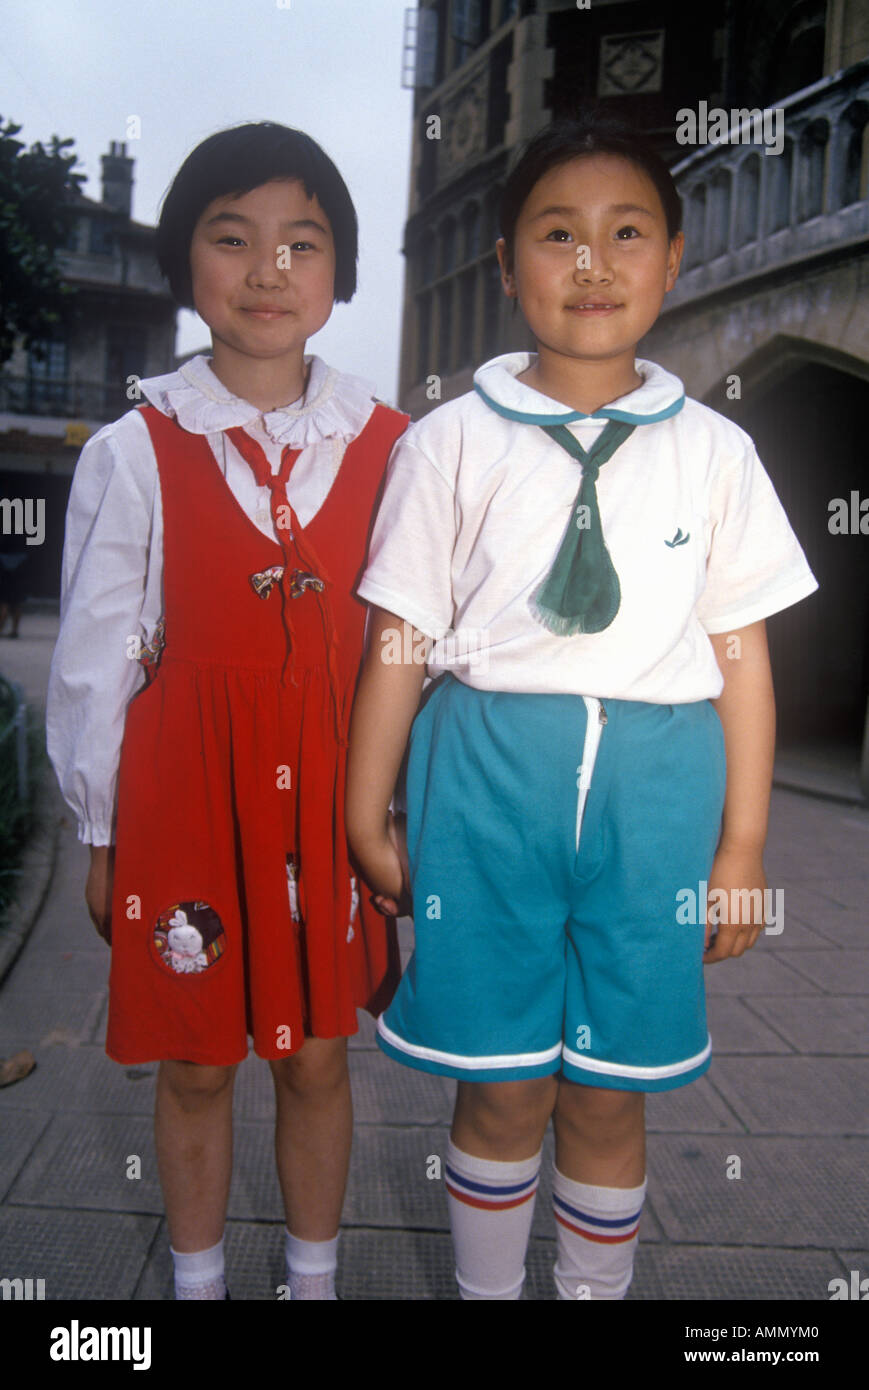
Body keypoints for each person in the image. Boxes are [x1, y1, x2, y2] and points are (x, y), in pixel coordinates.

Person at [346, 113, 818, 1302]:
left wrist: (742, 845)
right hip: (484, 784)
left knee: (612, 1087)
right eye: (557, 235)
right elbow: (399, 632)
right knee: (498, 1080)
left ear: (671, 259)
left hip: (656, 797)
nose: (592, 263)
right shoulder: (446, 442)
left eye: (625, 234)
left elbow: (742, 655)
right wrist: (366, 809)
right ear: (507, 264)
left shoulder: (716, 453)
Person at [46, 122, 407, 1301]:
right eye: (232, 238)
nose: (268, 271)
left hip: (330, 801)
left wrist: (395, 816)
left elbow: (420, 644)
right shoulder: (136, 448)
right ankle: (194, 1284)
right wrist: (103, 835)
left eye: (301, 243)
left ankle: (312, 1280)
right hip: (186, 799)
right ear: (184, 264)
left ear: (339, 272)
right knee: (196, 1064)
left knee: (315, 1060)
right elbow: (96, 662)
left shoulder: (393, 446)